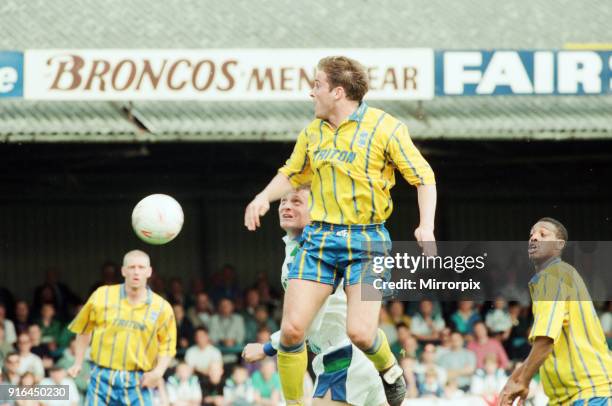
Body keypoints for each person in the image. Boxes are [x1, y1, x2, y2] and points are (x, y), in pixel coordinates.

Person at [244, 55, 436, 406]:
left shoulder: (385, 128)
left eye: (316, 85)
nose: (310, 92)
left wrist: (426, 225)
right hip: (320, 241)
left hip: (368, 243)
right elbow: (291, 172)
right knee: (291, 330)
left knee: (361, 332)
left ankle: (391, 371)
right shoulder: (312, 132)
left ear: (337, 91)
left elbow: (424, 177)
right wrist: (263, 197)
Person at [243, 187, 386, 405]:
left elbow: (305, 323)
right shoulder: (297, 249)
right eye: (282, 201)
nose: (286, 206)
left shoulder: (317, 253)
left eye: (297, 202)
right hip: (344, 356)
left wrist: (266, 348)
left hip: (344, 356)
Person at [499, 217, 612, 405]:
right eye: (532, 234)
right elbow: (545, 343)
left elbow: (545, 339)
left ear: (559, 245)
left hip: (589, 393)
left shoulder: (554, 275)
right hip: (567, 397)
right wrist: (516, 378)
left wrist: (524, 380)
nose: (534, 237)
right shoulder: (556, 276)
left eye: (543, 234)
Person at [66, 249, 177, 406]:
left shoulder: (162, 308)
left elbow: (167, 345)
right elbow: (84, 329)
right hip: (101, 378)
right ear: (123, 271)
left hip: (138, 381)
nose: (136, 272)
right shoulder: (101, 295)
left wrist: (158, 373)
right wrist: (78, 362)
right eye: (131, 267)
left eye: (141, 267)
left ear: (149, 271)